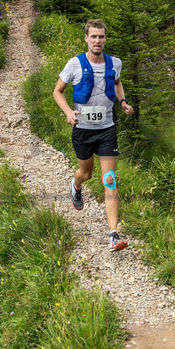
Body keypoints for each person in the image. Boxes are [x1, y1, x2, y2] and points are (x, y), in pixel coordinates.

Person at [53, 19, 134, 251]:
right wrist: (68, 112)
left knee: (109, 179)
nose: (98, 40)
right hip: (83, 129)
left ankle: (113, 235)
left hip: (107, 129)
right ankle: (76, 184)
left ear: (105, 39)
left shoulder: (114, 63)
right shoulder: (74, 64)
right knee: (86, 174)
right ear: (86, 38)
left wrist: (123, 102)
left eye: (101, 36)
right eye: (94, 36)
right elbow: (57, 91)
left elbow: (117, 84)